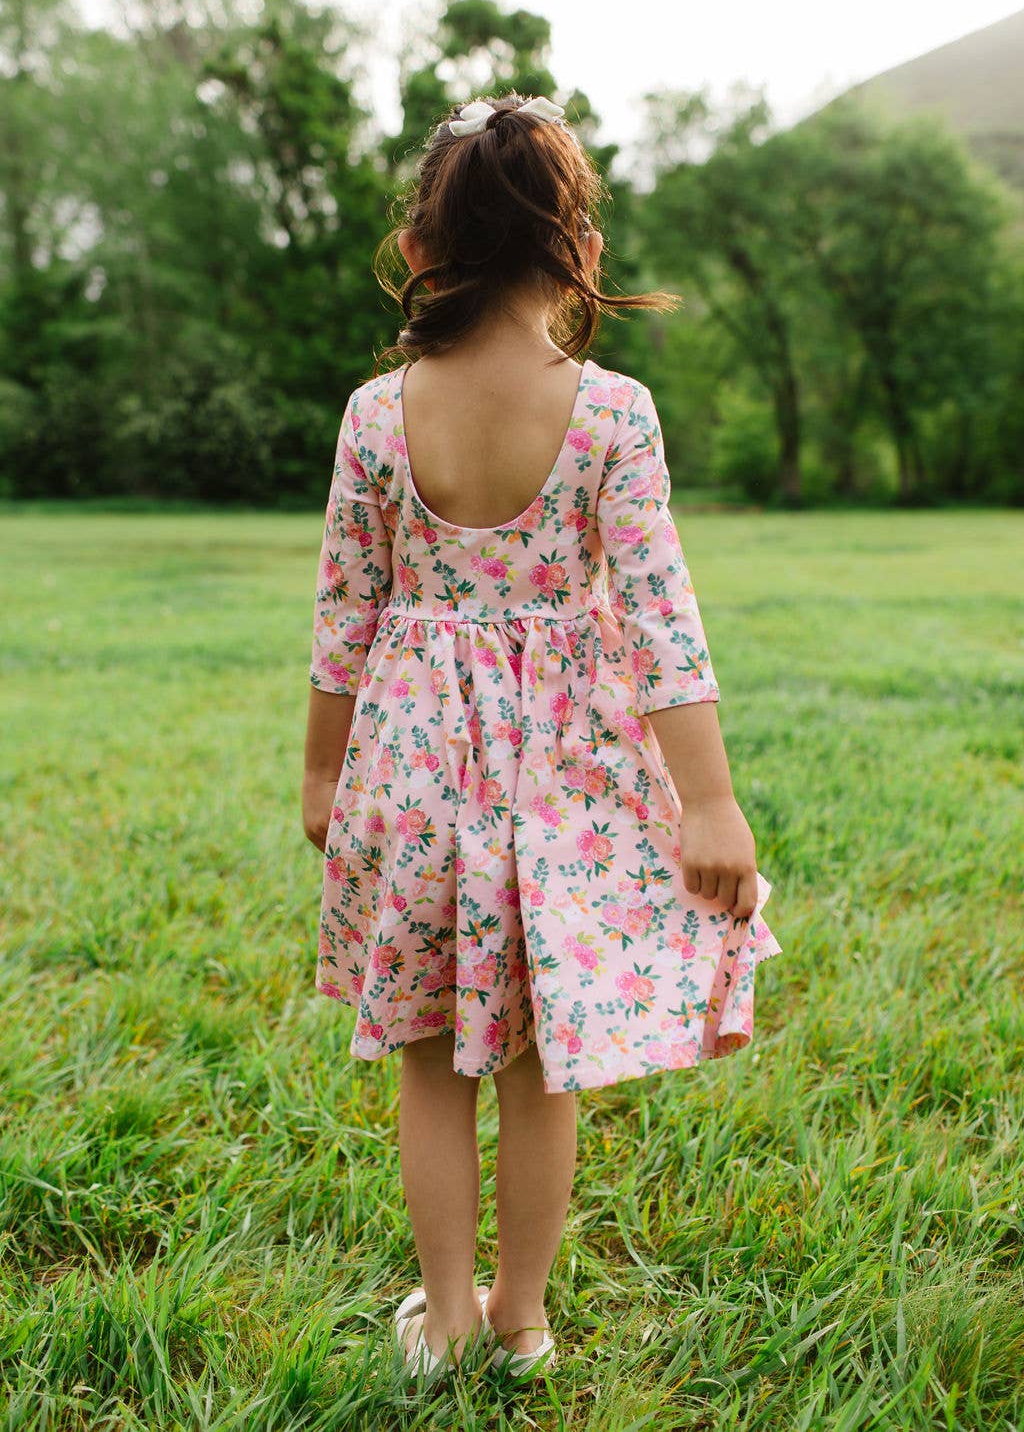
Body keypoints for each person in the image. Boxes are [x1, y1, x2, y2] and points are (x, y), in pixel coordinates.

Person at [301, 92, 782, 1388]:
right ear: (578, 246)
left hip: (413, 761)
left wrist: (321, 771)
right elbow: (661, 619)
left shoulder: (377, 413)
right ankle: (521, 1322)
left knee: (432, 1062)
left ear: (421, 246)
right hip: (563, 777)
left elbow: (348, 611)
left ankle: (446, 1315)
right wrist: (709, 802)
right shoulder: (611, 412)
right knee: (538, 1066)